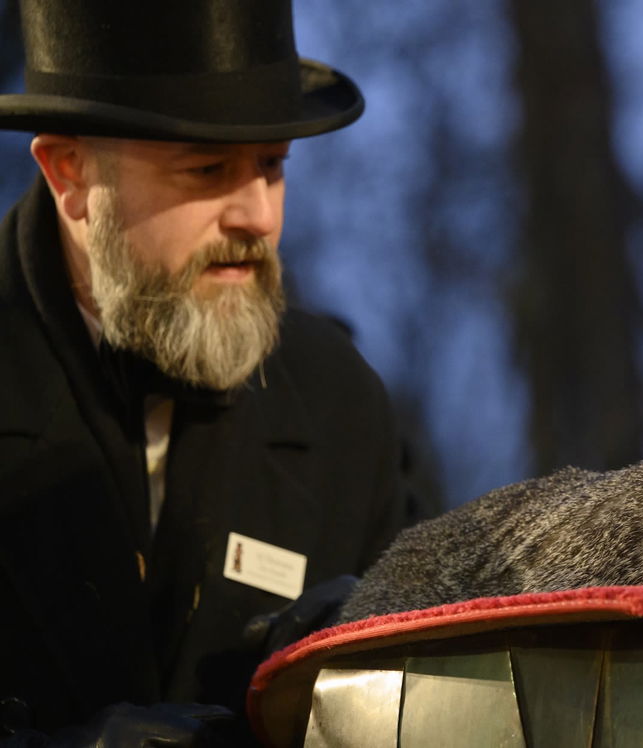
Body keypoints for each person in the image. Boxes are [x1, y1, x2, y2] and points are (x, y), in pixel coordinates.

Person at [0, 0, 426, 744]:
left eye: (272, 166)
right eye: (208, 170)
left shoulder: (340, 405)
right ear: (70, 174)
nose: (257, 216)